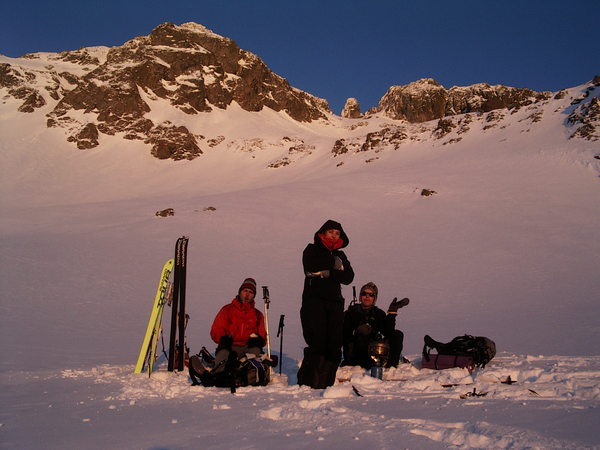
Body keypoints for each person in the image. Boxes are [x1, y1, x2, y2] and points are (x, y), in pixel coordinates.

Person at [297, 219, 355, 388]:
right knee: (317, 343)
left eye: (337, 233)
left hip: (335, 303)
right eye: (331, 232)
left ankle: (325, 384)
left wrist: (326, 273)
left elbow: (349, 277)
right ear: (323, 233)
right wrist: (334, 266)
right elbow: (310, 266)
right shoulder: (311, 249)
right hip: (314, 302)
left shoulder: (341, 255)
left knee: (334, 346)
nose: (333, 236)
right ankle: (308, 384)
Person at [341, 282, 409, 369]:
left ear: (374, 298)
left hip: (373, 353)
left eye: (371, 294)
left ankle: (390, 368)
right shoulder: (350, 313)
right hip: (354, 353)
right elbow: (343, 334)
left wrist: (392, 312)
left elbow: (388, 332)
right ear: (360, 297)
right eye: (364, 294)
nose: (367, 296)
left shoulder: (378, 313)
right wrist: (356, 331)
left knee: (397, 334)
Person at [209, 277, 267, 370]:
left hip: (249, 348)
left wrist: (258, 340)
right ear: (240, 292)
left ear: (254, 296)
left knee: (255, 360)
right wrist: (223, 339)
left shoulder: (258, 314)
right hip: (229, 347)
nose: (247, 295)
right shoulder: (227, 310)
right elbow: (216, 330)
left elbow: (263, 336)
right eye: (245, 291)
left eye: (251, 292)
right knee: (221, 364)